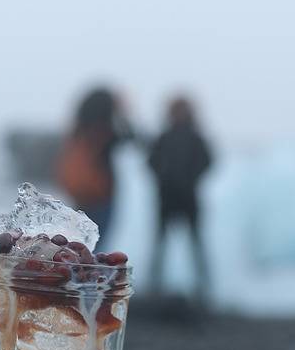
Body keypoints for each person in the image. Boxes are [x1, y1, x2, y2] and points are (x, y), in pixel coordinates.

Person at [147, 95, 213, 304]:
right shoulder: (166, 137)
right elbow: (151, 162)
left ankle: (203, 289)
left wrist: (189, 178)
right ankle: (155, 287)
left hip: (185, 198)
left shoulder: (193, 137)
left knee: (194, 244)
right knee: (161, 244)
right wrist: (165, 176)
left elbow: (208, 161)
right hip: (169, 198)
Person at [56, 87, 132, 242]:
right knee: (95, 241)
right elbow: (130, 136)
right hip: (101, 194)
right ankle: (91, 266)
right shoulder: (106, 131)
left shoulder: (79, 129)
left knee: (80, 240)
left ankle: (78, 264)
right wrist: (122, 114)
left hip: (81, 194)